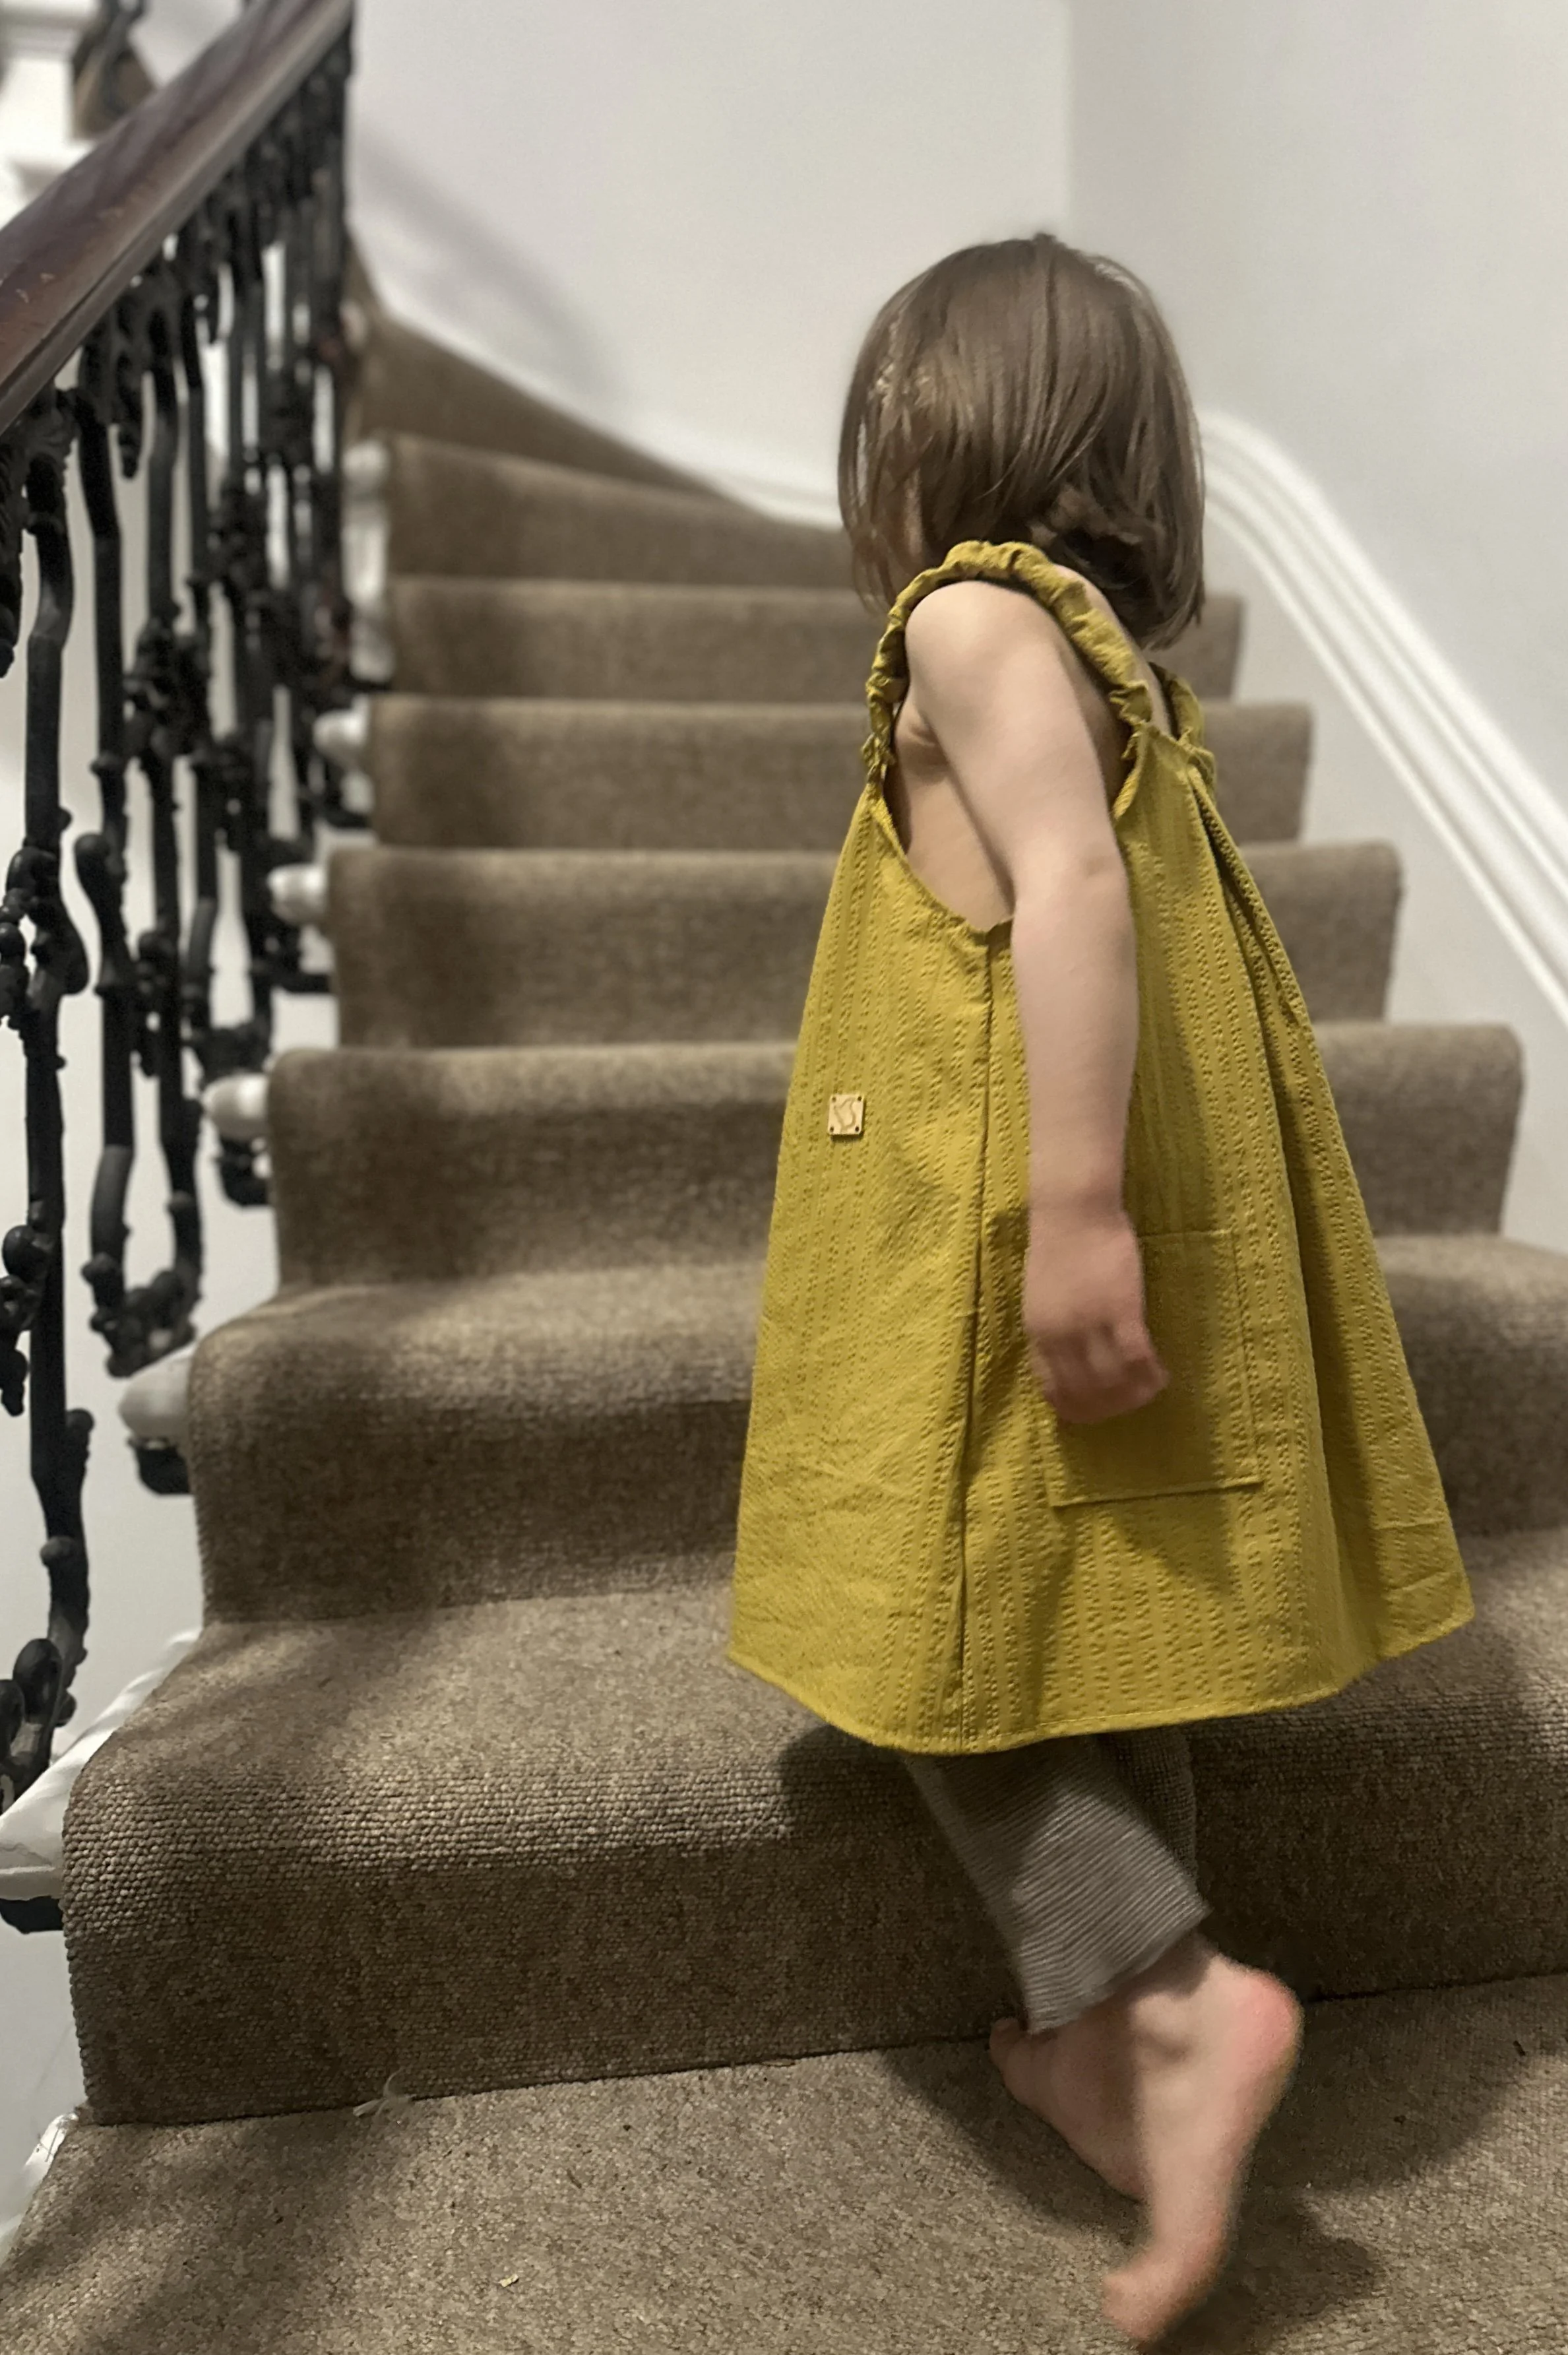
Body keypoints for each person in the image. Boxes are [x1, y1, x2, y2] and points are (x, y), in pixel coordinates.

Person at [724, 231, 1475, 2345]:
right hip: (1116, 1206)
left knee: (923, 1612)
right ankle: (1108, 2022)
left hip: (990, 1234)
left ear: (928, 433)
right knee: (1098, 1613)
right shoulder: (1125, 672)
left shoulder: (965, 619)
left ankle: (1160, 1996)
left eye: (877, 418)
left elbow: (1061, 886)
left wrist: (1069, 1208)